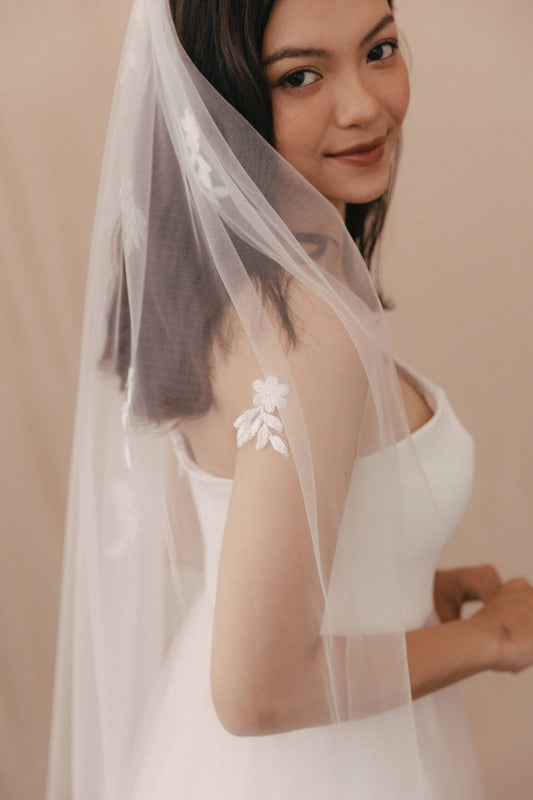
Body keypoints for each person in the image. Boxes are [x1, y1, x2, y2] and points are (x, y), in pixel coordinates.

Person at [46, 0, 533, 797]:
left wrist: (399, 580)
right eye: (300, 76)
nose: (363, 104)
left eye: (379, 50)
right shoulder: (308, 326)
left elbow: (232, 523)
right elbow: (257, 692)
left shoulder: (228, 287)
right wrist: (493, 638)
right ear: (221, 99)